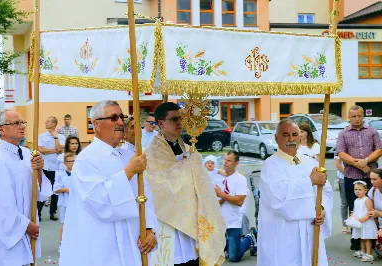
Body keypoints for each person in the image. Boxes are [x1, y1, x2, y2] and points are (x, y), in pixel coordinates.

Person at [59, 100, 158, 266]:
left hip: (132, 241)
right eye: (113, 118)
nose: (120, 122)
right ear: (96, 124)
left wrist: (149, 229)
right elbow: (99, 200)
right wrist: (129, 172)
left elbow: (145, 196)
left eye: (121, 117)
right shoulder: (86, 159)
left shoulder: (128, 156)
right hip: (101, 245)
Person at [144, 102, 226, 266]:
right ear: (161, 123)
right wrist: (184, 169)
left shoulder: (190, 151)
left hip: (192, 220)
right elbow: (156, 186)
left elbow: (202, 184)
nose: (179, 123)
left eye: (180, 119)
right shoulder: (151, 153)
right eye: (174, 119)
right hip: (167, 223)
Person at [257, 119, 333, 266]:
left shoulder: (311, 162)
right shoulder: (270, 165)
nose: (291, 139)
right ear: (276, 138)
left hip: (311, 231)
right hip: (284, 234)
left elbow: (326, 191)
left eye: (294, 134)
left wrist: (322, 209)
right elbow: (277, 199)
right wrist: (309, 181)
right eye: (285, 135)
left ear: (300, 137)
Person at [0, 109, 52, 265]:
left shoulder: (28, 153)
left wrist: (39, 170)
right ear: (2, 129)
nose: (22, 126)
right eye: (16, 123)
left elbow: (40, 193)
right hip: (9, 237)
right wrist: (25, 225)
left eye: (22, 122)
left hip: (25, 230)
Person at [336, 105, 382, 250]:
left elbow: (379, 149)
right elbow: (341, 153)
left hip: (371, 177)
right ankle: (356, 241)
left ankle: (375, 241)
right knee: (354, 208)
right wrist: (360, 165)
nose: (356, 119)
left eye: (359, 116)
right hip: (351, 176)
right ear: (348, 117)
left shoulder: (372, 131)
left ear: (363, 116)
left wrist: (367, 161)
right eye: (353, 116)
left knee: (373, 207)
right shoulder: (343, 133)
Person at [214, 151, 250, 262]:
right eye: (224, 159)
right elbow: (214, 201)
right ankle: (227, 244)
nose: (225, 162)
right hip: (219, 221)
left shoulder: (240, 179)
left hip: (234, 221)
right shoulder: (218, 178)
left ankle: (249, 239)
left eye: (229, 160)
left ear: (236, 163)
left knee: (233, 257)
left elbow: (239, 201)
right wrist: (223, 198)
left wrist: (222, 194)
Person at [38, 116, 66, 221]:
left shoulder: (61, 137)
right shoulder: (41, 136)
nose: (46, 122)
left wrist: (55, 138)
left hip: (56, 168)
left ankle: (53, 212)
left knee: (55, 192)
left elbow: (60, 148)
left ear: (54, 124)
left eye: (48, 121)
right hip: (44, 167)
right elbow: (40, 149)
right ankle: (39, 213)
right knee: (42, 190)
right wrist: (55, 150)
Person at [53, 152, 76, 253]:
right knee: (64, 224)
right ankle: (62, 244)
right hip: (65, 203)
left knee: (76, 223)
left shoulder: (78, 173)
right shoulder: (61, 174)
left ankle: (75, 243)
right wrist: (66, 189)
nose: (72, 163)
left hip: (77, 203)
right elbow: (56, 189)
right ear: (65, 163)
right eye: (69, 161)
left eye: (73, 161)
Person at [351, 181, 378, 262]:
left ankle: (369, 253)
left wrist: (365, 218)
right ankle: (363, 251)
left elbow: (371, 211)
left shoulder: (366, 200)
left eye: (360, 189)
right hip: (360, 222)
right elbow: (356, 210)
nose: (357, 191)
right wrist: (353, 215)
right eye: (355, 189)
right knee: (361, 237)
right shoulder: (356, 200)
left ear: (365, 190)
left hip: (367, 222)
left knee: (367, 238)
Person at [335, 155, 349, 234]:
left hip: (356, 177)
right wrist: (348, 174)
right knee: (344, 202)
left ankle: (355, 223)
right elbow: (338, 163)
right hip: (343, 178)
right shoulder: (340, 146)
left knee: (355, 201)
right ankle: (344, 225)